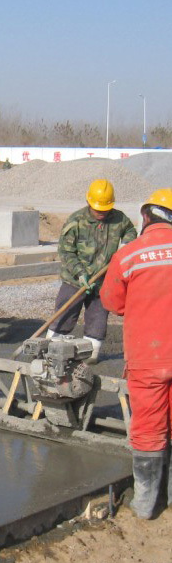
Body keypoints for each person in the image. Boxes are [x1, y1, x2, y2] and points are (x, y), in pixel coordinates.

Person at [100, 189, 172, 519]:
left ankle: (146, 505)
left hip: (148, 357)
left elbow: (112, 303)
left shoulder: (129, 255)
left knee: (149, 428)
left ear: (146, 217)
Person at [48, 179, 137, 363]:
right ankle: (51, 349)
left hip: (102, 281)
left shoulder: (119, 219)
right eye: (98, 209)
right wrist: (80, 273)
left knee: (98, 317)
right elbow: (66, 251)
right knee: (65, 313)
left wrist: (126, 243)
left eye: (105, 209)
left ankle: (91, 355)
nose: (101, 213)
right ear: (89, 201)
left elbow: (130, 231)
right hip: (75, 279)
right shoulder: (76, 221)